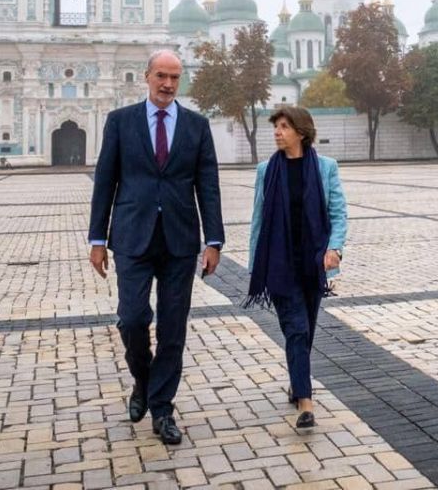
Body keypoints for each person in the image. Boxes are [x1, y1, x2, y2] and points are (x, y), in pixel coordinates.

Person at [88, 50, 224, 446]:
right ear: (146, 76)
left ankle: (162, 408)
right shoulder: (120, 122)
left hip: (180, 240)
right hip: (132, 237)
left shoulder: (197, 126)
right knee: (131, 319)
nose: (167, 84)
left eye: (175, 78)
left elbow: (208, 185)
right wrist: (98, 239)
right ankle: (144, 382)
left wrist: (213, 239)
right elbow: (105, 181)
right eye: (161, 76)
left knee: (172, 328)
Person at [246, 107, 347, 430]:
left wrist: (335, 249)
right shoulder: (266, 170)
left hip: (313, 262)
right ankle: (306, 402)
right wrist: (255, 264)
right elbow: (259, 219)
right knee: (297, 329)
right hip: (279, 263)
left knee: (306, 330)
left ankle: (296, 379)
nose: (277, 132)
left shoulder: (325, 167)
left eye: (284, 126)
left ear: (301, 132)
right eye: (276, 126)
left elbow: (338, 212)